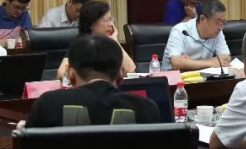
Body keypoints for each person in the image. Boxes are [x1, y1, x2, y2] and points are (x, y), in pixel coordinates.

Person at [24, 35, 160, 128]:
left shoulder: (48, 104)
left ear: (71, 76)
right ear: (121, 75)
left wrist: (23, 133)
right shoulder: (147, 108)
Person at [56, 0, 135, 79]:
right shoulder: (79, 44)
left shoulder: (110, 43)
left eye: (111, 19)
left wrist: (115, 41)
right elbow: (61, 73)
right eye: (106, 20)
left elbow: (131, 70)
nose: (111, 24)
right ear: (91, 24)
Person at [162, 0, 232, 71]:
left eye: (223, 22)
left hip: (203, 76)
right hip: (176, 77)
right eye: (218, 22)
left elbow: (226, 57)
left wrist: (189, 63)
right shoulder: (180, 31)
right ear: (202, 19)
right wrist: (210, 62)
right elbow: (176, 63)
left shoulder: (217, 32)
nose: (221, 28)